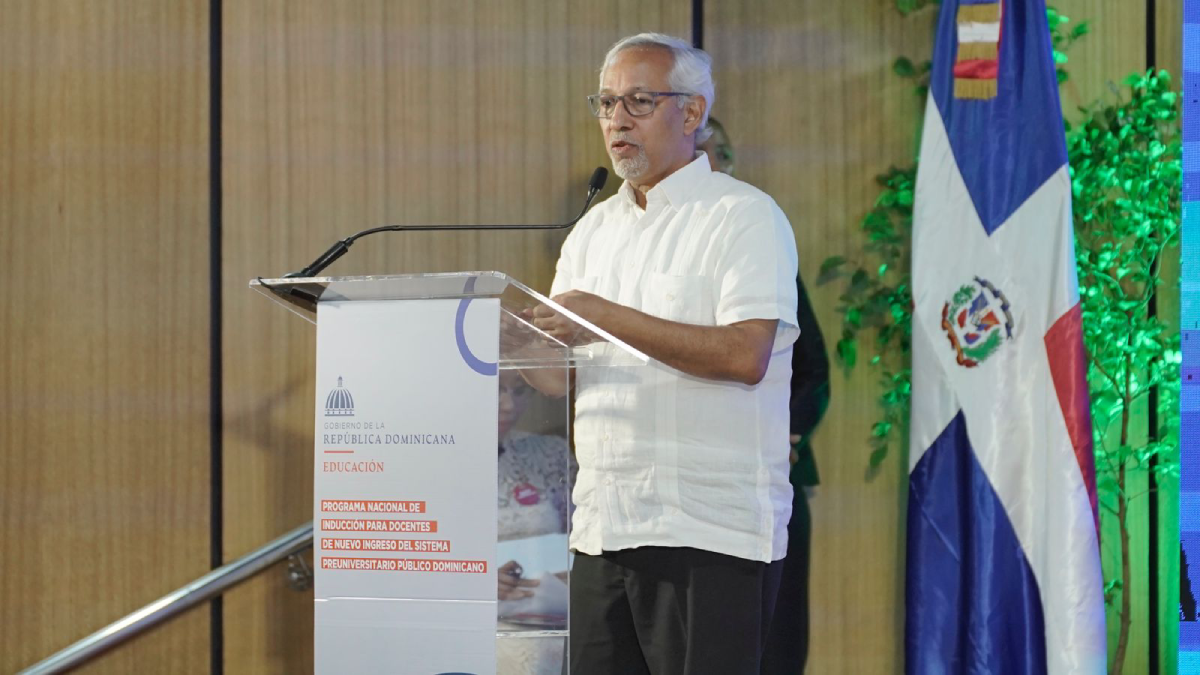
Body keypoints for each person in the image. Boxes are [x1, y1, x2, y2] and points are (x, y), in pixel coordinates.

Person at [530, 33, 800, 674]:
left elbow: (745, 355)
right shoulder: (592, 231)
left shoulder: (743, 217)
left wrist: (605, 319)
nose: (616, 119)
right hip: (603, 527)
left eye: (639, 101)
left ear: (691, 113)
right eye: (605, 103)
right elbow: (550, 377)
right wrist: (506, 339)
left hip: (707, 530)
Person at [699, 117, 831, 674]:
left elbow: (813, 368)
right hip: (677, 487)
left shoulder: (758, 242)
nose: (708, 168)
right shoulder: (627, 248)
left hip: (768, 473)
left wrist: (786, 433)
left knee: (773, 641)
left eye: (715, 155)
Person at [494, 371, 575, 675]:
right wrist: (474, 580)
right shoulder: (437, 456)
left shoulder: (550, 452)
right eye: (496, 390)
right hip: (477, 627)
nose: (508, 405)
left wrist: (573, 572)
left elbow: (583, 532)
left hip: (551, 623)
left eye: (520, 391)